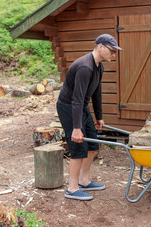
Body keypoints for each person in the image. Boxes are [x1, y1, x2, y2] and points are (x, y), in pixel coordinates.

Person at [56, 34, 122, 200]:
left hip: (80, 107)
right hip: (68, 107)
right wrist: (77, 128)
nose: (113, 55)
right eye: (112, 51)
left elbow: (96, 92)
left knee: (92, 144)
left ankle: (84, 181)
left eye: (115, 52)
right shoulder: (85, 67)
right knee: (78, 147)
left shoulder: (99, 66)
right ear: (100, 46)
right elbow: (76, 99)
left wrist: (99, 116)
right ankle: (72, 188)